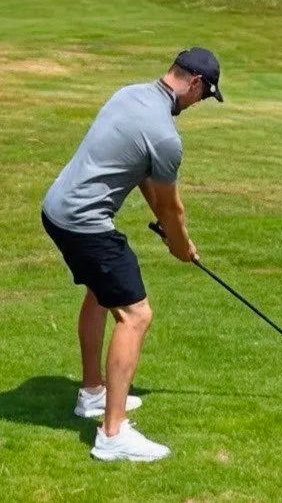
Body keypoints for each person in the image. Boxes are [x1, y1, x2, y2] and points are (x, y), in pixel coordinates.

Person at [41, 47, 223, 463]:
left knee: (102, 293)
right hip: (84, 222)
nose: (199, 105)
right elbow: (171, 208)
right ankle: (113, 434)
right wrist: (181, 245)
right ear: (194, 83)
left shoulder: (130, 94)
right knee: (136, 315)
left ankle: (92, 394)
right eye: (204, 95)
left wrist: (169, 228)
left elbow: (143, 174)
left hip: (57, 209)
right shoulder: (165, 134)